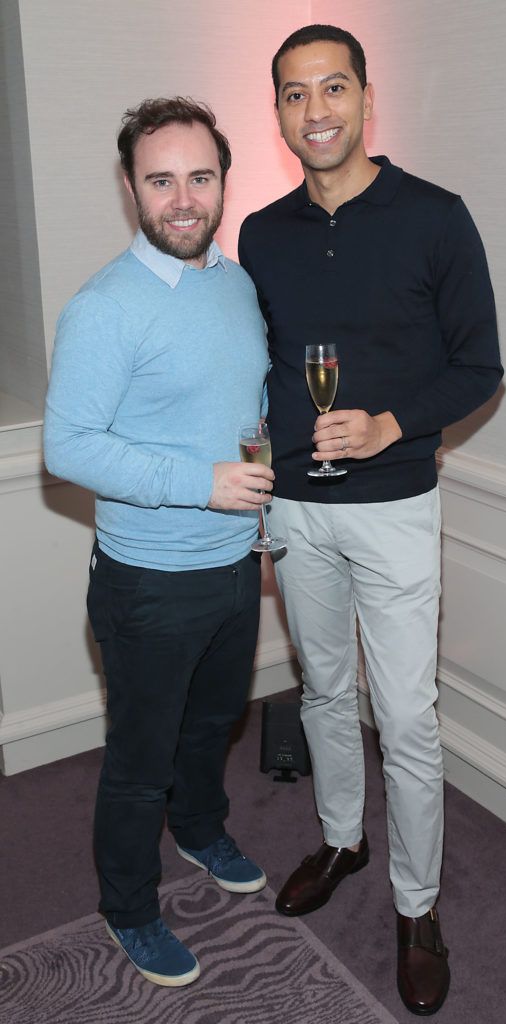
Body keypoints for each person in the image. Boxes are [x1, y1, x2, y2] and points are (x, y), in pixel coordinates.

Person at [238, 24, 503, 1016]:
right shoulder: (261, 233)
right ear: (278, 114)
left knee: (407, 717)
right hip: (301, 511)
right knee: (322, 692)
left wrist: (393, 420)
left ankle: (419, 904)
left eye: (334, 88)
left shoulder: (437, 218)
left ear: (365, 97)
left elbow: (481, 368)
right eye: (296, 95)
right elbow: (254, 382)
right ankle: (343, 838)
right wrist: (261, 491)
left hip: (396, 507)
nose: (318, 111)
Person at [44, 96, 273, 988]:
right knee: (139, 762)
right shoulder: (105, 306)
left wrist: (251, 495)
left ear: (222, 181)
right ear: (132, 189)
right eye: (161, 180)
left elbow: (234, 412)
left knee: (214, 726)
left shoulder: (236, 282)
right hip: (146, 582)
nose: (183, 198)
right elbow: (67, 446)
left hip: (231, 565)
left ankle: (203, 830)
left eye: (200, 177)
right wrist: (201, 482)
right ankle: (129, 908)